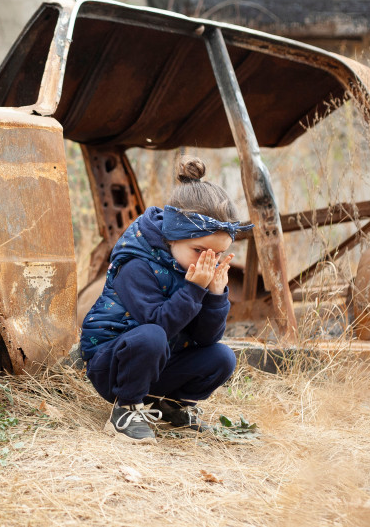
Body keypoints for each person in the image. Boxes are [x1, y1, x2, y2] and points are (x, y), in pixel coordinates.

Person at [79, 157, 252, 443]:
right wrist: (194, 290)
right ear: (172, 237)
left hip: (160, 364)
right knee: (152, 336)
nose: (209, 261)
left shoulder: (191, 268)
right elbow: (158, 324)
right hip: (114, 365)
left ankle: (171, 404)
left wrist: (215, 296)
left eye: (218, 255)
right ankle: (125, 410)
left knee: (222, 357)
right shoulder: (137, 265)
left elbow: (206, 339)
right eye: (200, 251)